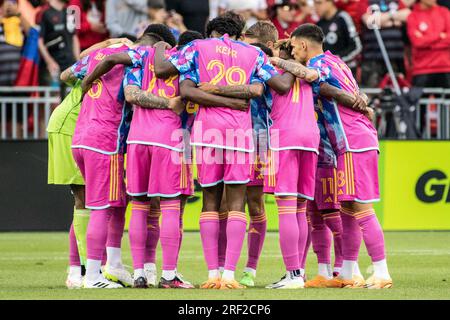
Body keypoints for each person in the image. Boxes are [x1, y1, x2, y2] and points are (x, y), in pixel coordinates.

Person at [154, 15, 295, 289]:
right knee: (236, 203)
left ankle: (213, 274)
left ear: (211, 32)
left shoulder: (198, 47)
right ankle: (231, 276)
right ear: (239, 33)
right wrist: (294, 61)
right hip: (240, 134)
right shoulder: (253, 52)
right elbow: (281, 85)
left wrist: (160, 44)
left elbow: (176, 82)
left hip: (207, 132)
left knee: (210, 201)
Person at [271, 24, 392, 289]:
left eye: (292, 46)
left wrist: (275, 60)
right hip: (356, 139)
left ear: (302, 45)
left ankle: (381, 271)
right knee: (347, 208)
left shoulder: (319, 63)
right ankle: (349, 271)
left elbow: (310, 75)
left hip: (351, 140)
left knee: (361, 208)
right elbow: (352, 93)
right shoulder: (339, 62)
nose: (291, 51)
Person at [60, 33, 158, 289]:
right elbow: (132, 94)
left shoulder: (95, 55)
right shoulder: (135, 61)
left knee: (113, 201)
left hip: (80, 136)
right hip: (106, 140)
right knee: (101, 208)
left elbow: (67, 75)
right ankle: (92, 276)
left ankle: (108, 265)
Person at [52, 37, 133, 289]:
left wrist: (106, 46)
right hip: (78, 129)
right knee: (87, 202)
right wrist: (110, 43)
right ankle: (83, 272)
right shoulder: (127, 62)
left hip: (80, 131)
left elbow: (67, 73)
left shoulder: (93, 60)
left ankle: (91, 269)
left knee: (97, 201)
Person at [360, 0, 411, 87]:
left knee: (398, 90)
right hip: (373, 58)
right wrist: (393, 18)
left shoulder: (396, 1)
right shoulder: (365, 2)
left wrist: (381, 20)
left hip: (396, 57)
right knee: (371, 93)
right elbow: (370, 21)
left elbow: (408, 15)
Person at [38, 0, 80, 97]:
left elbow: (74, 37)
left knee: (71, 100)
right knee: (53, 101)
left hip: (70, 65)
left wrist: (78, 62)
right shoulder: (44, 12)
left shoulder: (70, 12)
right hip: (53, 67)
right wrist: (49, 61)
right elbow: (39, 41)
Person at [407, 0, 450, 88]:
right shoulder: (413, 16)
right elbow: (417, 42)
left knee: (446, 101)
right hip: (422, 69)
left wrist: (426, 40)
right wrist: (440, 36)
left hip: (445, 67)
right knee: (420, 101)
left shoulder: (444, 12)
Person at [315, 0, 362, 75]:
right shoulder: (318, 24)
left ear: (330, 2)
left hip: (346, 72)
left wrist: (336, 60)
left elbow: (357, 47)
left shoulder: (343, 17)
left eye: (319, 3)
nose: (316, 7)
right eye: (314, 3)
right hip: (326, 73)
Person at [0, 0, 31, 85]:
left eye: (13, 3)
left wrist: (18, 14)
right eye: (5, 3)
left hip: (19, 79)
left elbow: (32, 33)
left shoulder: (21, 23)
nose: (9, 6)